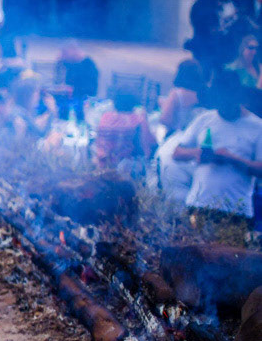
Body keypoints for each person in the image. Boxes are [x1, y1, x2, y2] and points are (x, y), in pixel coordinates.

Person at [172, 71, 262, 244]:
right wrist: (198, 153)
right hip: (199, 204)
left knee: (229, 258)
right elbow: (177, 152)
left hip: (235, 211)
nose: (223, 105)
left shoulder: (257, 126)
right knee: (193, 254)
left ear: (237, 97)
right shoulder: (204, 119)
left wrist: (232, 159)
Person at [93, 89, 154, 173]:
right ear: (134, 103)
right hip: (127, 170)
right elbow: (149, 143)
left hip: (103, 166)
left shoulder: (105, 117)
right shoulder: (137, 119)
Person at [160, 58, 208, 135]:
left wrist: (164, 105)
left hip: (176, 135)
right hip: (197, 136)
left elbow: (165, 120)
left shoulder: (177, 94)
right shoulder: (204, 93)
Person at [53, 41, 99, 120]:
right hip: (71, 98)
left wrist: (71, 89)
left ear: (73, 50)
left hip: (84, 100)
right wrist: (60, 61)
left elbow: (90, 90)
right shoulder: (71, 63)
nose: (64, 56)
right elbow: (60, 79)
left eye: (65, 53)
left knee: (67, 105)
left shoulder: (89, 66)